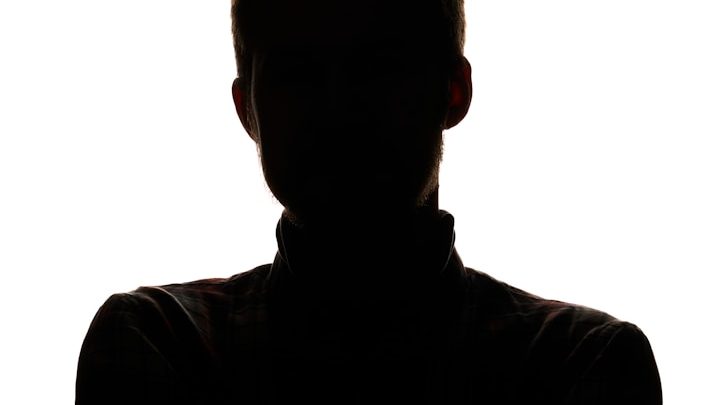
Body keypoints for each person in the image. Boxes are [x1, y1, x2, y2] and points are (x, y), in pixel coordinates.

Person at [75, 0, 663, 403]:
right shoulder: (572, 364)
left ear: (453, 92)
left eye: (378, 67)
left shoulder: (169, 344)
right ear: (246, 108)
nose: (336, 109)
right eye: (297, 72)